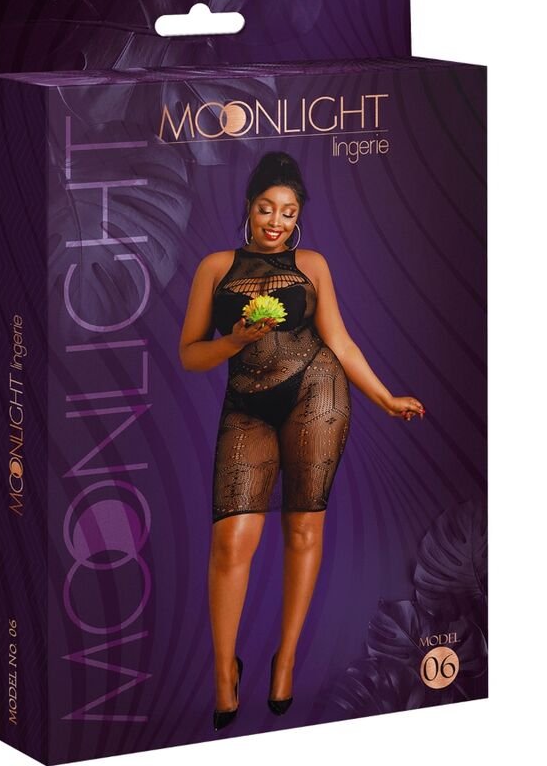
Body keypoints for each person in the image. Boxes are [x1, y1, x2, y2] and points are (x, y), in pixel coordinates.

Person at [178, 152, 425, 731]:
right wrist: (235, 340)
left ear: (298, 218)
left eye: (288, 213)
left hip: (317, 395)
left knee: (303, 529)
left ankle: (285, 659)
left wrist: (385, 398)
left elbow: (340, 341)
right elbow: (190, 354)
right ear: (249, 207)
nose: (276, 222)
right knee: (231, 542)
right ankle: (224, 671)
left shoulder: (312, 264)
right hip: (247, 407)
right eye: (267, 208)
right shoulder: (215, 267)